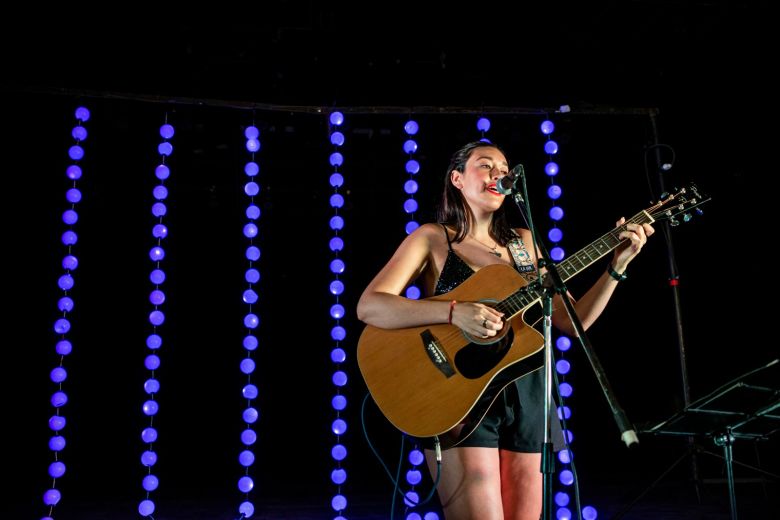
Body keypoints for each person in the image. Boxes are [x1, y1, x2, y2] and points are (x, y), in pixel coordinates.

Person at [356, 140, 654, 520]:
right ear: (458, 179)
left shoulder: (525, 244)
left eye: (503, 167)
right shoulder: (433, 238)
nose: (499, 172)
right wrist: (454, 312)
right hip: (460, 392)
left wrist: (617, 265)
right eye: (485, 165)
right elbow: (371, 305)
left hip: (529, 393)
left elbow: (571, 322)